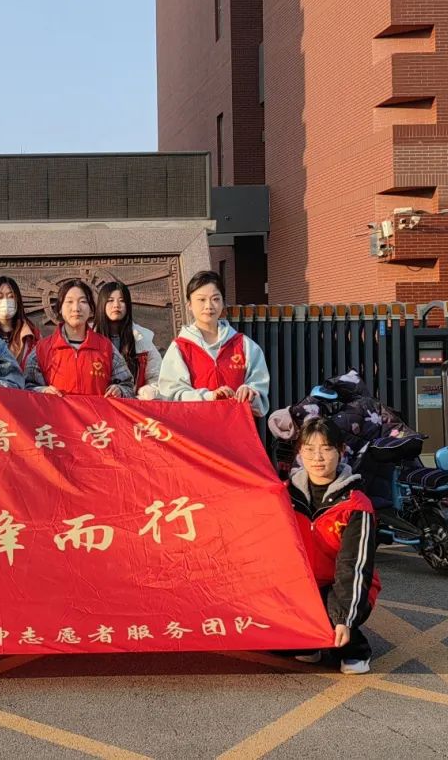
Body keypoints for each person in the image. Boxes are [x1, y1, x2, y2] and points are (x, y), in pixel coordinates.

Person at [287, 417, 379, 674]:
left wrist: (344, 618)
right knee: (273, 636)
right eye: (309, 449)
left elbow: (353, 566)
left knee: (333, 621)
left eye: (326, 449)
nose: (317, 457)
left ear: (341, 451)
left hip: (345, 584)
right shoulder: (285, 496)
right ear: (299, 452)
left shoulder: (356, 504)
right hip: (302, 585)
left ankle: (356, 649)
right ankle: (311, 642)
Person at [158, 270, 269, 416]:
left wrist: (250, 392)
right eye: (201, 300)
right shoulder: (180, 348)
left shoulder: (244, 345)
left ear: (223, 302)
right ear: (189, 304)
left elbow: (259, 388)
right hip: (195, 427)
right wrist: (208, 396)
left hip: (236, 427)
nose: (209, 306)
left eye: (215, 299)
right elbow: (171, 395)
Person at [24, 279, 135, 398]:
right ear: (60, 308)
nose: (76, 308)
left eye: (83, 301)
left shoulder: (106, 347)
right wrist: (42, 391)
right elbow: (26, 387)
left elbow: (128, 386)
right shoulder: (42, 349)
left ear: (91, 309)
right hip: (56, 410)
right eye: (69, 301)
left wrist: (120, 390)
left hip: (97, 411)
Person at [94, 280, 162, 399]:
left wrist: (142, 396)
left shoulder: (142, 340)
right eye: (110, 300)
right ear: (101, 304)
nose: (116, 305)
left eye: (122, 301)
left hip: (131, 405)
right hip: (96, 404)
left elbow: (157, 379)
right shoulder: (88, 338)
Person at [0, 275, 41, 367]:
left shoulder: (32, 336)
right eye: (0, 297)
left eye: (11, 297)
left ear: (17, 300)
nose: (6, 301)